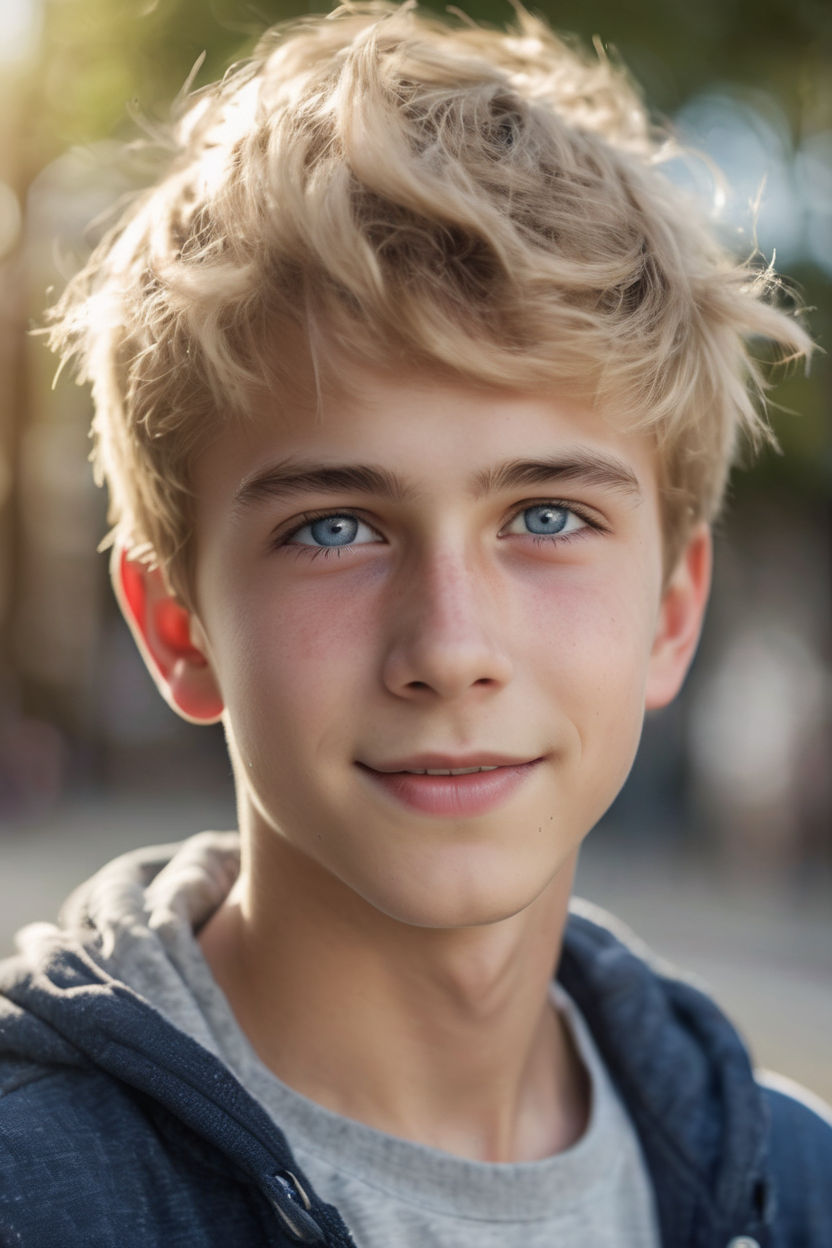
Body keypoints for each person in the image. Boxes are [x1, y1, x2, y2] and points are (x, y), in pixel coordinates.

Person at [1, 3, 829, 1244]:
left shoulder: (792, 1183)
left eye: (545, 517)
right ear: (177, 623)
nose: (449, 648)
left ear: (671, 609)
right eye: (335, 526)